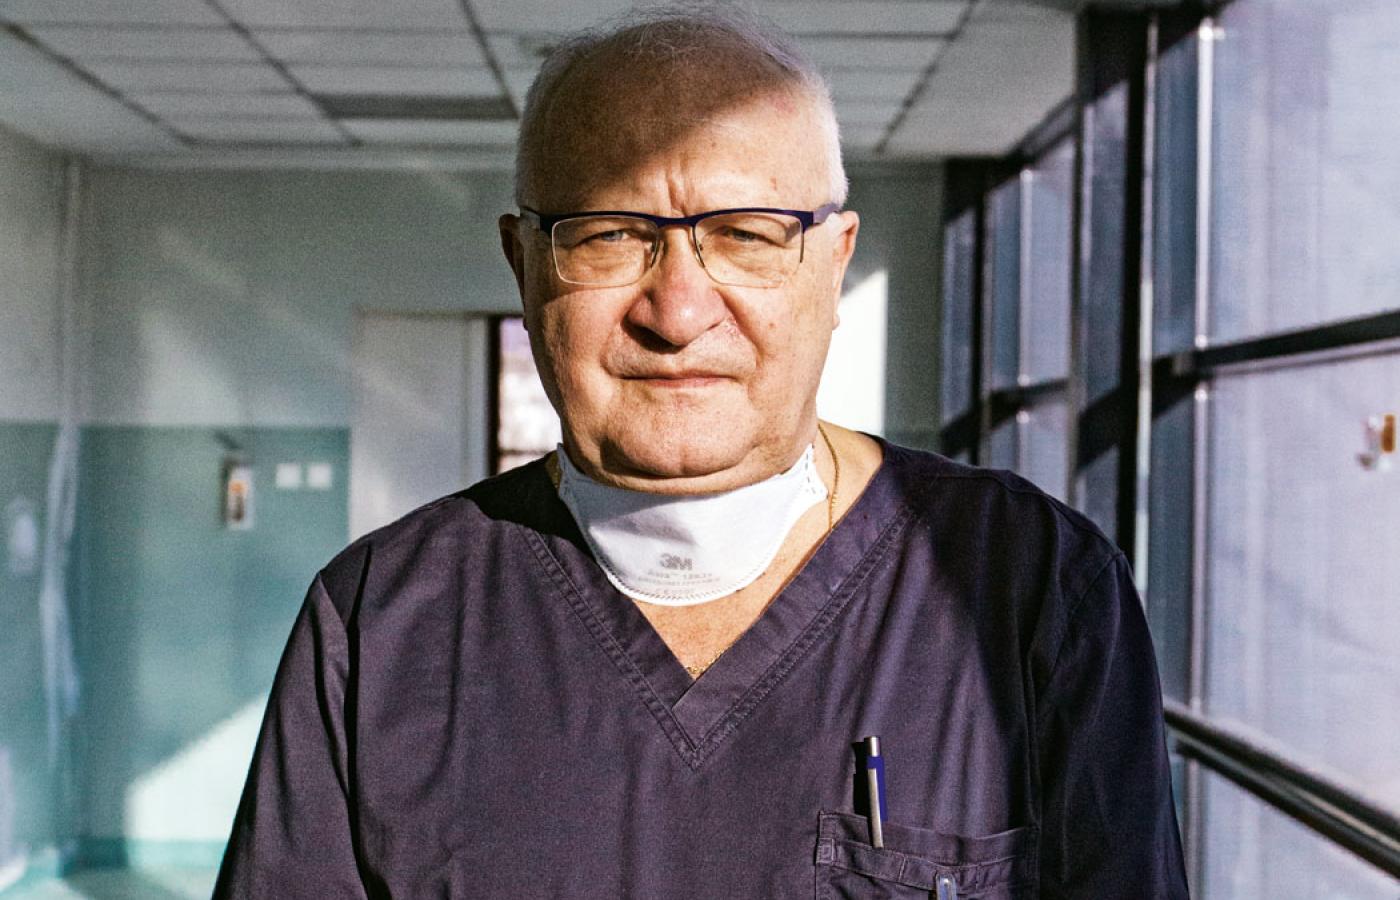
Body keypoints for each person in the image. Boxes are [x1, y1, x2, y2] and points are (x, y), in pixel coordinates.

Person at [214, 7, 1188, 899]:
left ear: (833, 263)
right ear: (524, 264)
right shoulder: (381, 622)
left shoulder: (1029, 588)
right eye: (608, 235)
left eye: (747, 235)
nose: (677, 312)